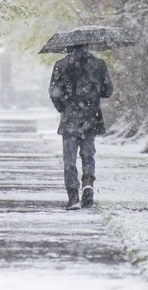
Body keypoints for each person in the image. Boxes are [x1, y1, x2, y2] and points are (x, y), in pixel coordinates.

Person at [48, 44, 113, 209]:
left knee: (69, 159)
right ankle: (88, 183)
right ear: (87, 45)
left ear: (68, 46)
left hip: (70, 119)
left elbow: (54, 92)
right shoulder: (98, 64)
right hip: (91, 118)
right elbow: (108, 91)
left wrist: (63, 107)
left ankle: (73, 196)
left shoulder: (61, 65)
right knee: (88, 154)